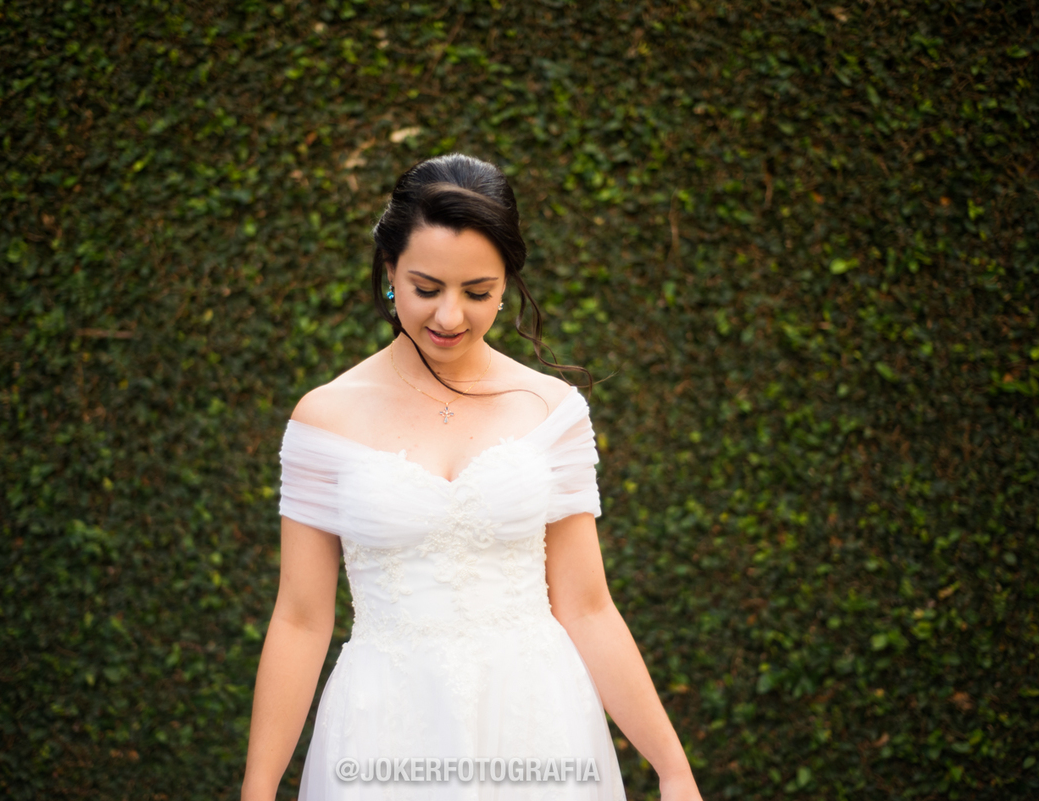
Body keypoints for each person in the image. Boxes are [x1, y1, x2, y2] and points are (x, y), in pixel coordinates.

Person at [242, 154, 702, 801]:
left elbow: (588, 605)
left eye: (478, 292)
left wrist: (672, 766)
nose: (450, 316)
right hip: (384, 730)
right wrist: (257, 788)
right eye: (426, 288)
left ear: (507, 283)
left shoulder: (551, 411)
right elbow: (300, 617)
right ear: (389, 273)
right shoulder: (325, 419)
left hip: (538, 726)